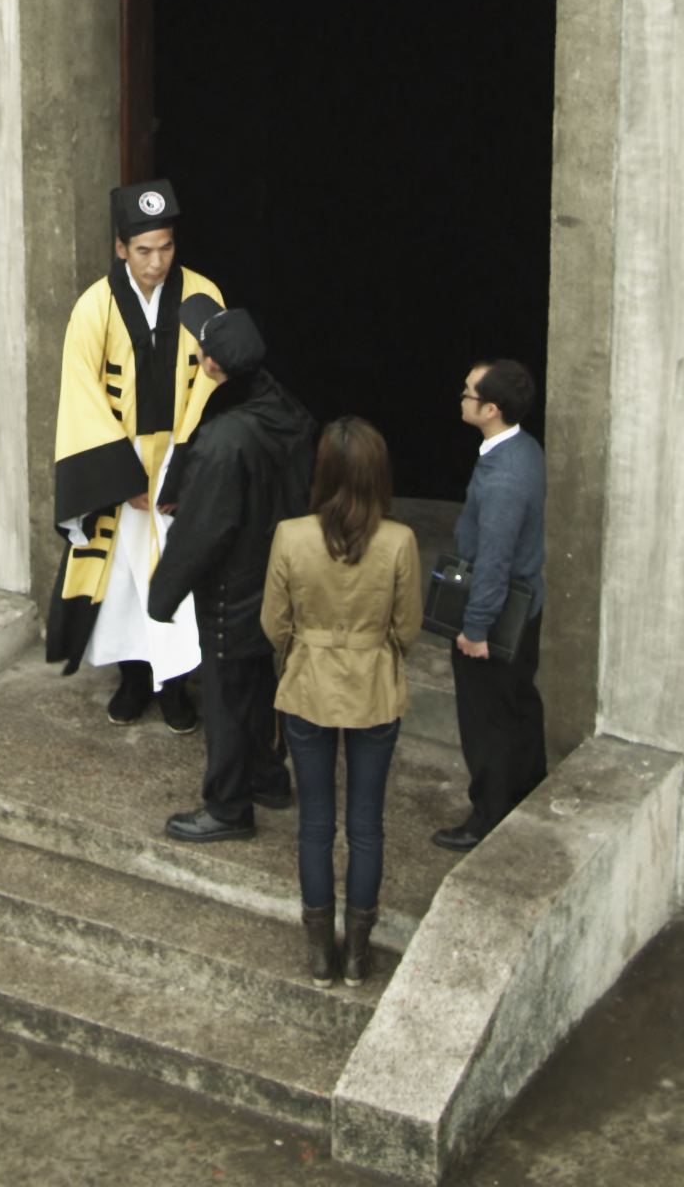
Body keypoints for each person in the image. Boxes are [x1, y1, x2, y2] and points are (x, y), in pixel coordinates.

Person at [47, 180, 224, 727]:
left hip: (179, 455)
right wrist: (119, 477)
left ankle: (175, 685)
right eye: (144, 250)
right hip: (120, 462)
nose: (156, 262)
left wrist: (184, 473)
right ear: (121, 248)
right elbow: (80, 389)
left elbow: (216, 382)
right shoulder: (94, 306)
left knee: (179, 573)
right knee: (122, 577)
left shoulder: (202, 295)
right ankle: (133, 679)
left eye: (166, 247)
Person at [145, 307, 315, 842]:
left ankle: (227, 806)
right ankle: (267, 777)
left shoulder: (227, 440)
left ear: (212, 364)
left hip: (233, 586)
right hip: (276, 576)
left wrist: (162, 594)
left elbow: (205, 529)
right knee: (257, 681)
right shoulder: (284, 408)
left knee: (223, 694)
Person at [263, 416, 420, 983]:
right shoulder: (399, 541)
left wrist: (306, 648)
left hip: (308, 686)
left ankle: (319, 951)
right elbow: (408, 627)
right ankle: (357, 950)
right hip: (374, 688)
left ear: (322, 469)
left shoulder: (291, 535)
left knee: (314, 824)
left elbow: (273, 622)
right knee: (366, 826)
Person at [435, 358, 547, 851]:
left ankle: (489, 814)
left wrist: (475, 629)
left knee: (487, 721)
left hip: (498, 617)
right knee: (518, 706)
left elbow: (495, 560)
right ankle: (524, 792)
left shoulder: (504, 479)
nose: (461, 397)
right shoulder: (521, 448)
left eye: (468, 393)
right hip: (524, 608)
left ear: (491, 409)